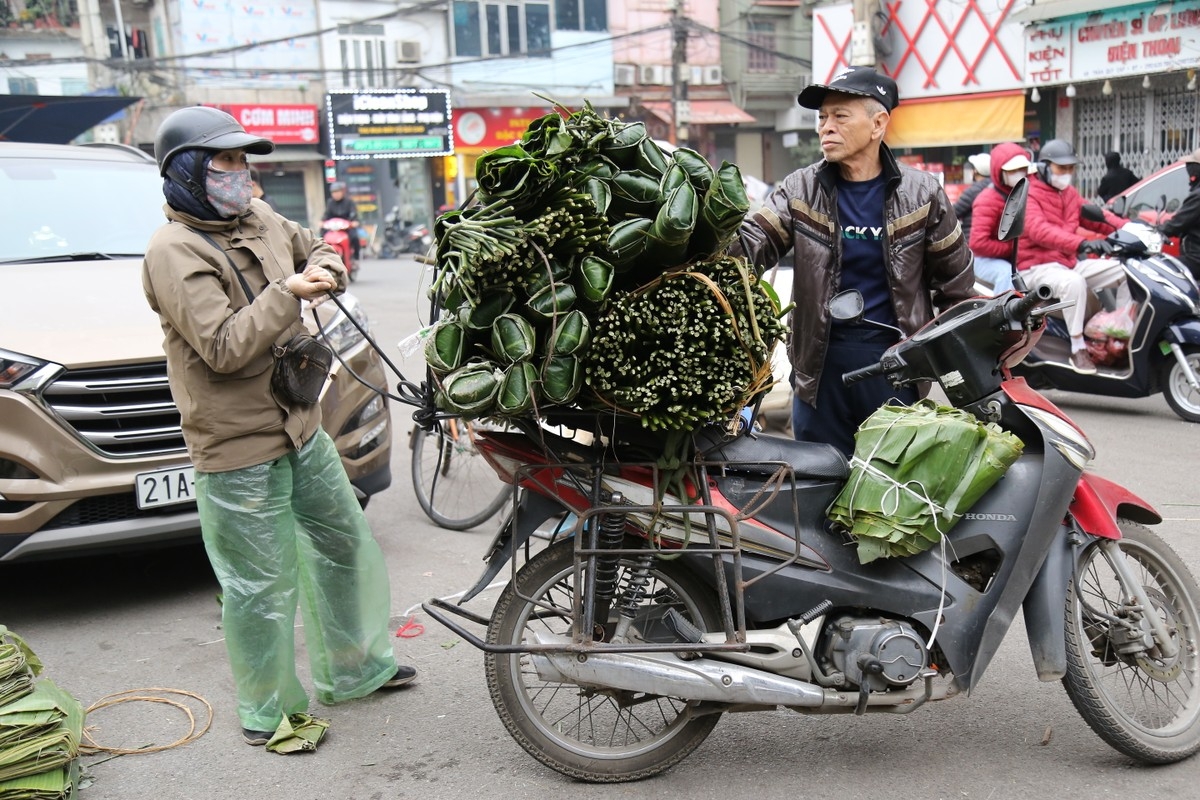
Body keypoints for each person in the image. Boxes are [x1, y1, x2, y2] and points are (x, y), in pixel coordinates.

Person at [141, 106, 415, 748]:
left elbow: (314, 243)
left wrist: (327, 266)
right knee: (258, 586)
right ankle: (269, 709)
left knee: (343, 541)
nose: (241, 174)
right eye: (225, 162)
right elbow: (225, 346)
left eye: (244, 161)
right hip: (236, 445)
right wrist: (290, 293)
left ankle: (356, 669)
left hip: (299, 423)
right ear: (186, 174)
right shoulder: (173, 252)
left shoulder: (258, 217)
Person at [733, 66, 974, 456]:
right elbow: (751, 246)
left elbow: (957, 288)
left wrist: (958, 372)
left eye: (840, 116)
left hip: (895, 368)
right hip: (819, 371)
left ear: (878, 123)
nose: (825, 127)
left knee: (888, 494)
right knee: (817, 494)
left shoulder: (923, 194)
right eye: (822, 117)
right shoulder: (800, 189)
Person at [1018, 138, 1131, 374]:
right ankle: (1078, 348)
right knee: (1074, 282)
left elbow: (1098, 217)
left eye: (1071, 168)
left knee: (1128, 271)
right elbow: (1040, 231)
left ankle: (1119, 333)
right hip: (1036, 267)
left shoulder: (1069, 193)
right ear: (1044, 167)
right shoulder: (1029, 194)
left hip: (1066, 263)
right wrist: (1083, 243)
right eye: (1062, 168)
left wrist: (1131, 229)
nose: (1067, 173)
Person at [968, 142, 1034, 294]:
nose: (1019, 173)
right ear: (999, 171)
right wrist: (1013, 249)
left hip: (1016, 257)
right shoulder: (988, 199)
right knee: (1007, 276)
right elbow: (978, 243)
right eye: (1013, 170)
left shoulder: (1025, 194)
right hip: (984, 260)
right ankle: (1004, 316)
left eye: (1022, 169)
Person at [1157, 147, 1200, 282]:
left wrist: (1155, 231)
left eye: (1192, 165)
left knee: (1155, 269)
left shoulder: (1198, 196)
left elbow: (1177, 224)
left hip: (1195, 258)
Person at [953, 152, 992, 241]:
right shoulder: (997, 188)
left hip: (972, 239)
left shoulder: (973, 191)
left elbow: (953, 213)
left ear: (976, 171)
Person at [323, 180, 361, 261]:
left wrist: (354, 222)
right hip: (332, 229)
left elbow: (354, 215)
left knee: (354, 238)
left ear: (342, 192)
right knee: (321, 238)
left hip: (346, 229)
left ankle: (355, 257)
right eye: (333, 192)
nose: (335, 194)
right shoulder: (330, 203)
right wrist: (322, 222)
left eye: (337, 192)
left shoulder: (349, 202)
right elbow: (326, 216)